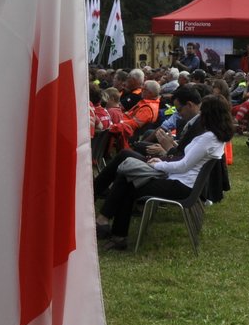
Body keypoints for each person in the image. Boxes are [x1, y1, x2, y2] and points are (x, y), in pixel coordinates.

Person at [96, 94, 232, 250]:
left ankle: (112, 230)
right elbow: (186, 162)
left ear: (209, 114)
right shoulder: (216, 137)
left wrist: (158, 164)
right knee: (127, 177)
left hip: (181, 186)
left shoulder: (208, 138)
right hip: (184, 182)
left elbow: (184, 165)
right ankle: (112, 230)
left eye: (203, 112)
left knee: (127, 179)